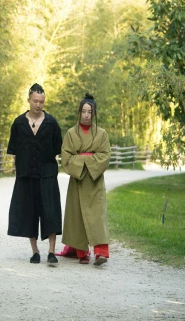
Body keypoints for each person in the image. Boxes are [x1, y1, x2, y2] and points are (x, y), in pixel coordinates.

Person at [7, 83, 63, 265]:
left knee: (50, 212)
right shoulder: (18, 123)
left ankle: (52, 251)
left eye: (41, 101)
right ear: (29, 100)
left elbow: (57, 148)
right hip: (26, 175)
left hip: (47, 174)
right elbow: (14, 149)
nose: (38, 105)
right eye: (35, 101)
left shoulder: (51, 122)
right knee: (29, 212)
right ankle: (35, 252)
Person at [59, 92, 111, 265]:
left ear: (94, 114)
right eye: (84, 111)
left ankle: (101, 253)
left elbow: (105, 156)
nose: (86, 115)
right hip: (78, 180)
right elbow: (66, 157)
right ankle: (82, 253)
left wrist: (83, 160)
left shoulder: (102, 134)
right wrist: (87, 161)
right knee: (78, 216)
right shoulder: (71, 134)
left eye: (90, 112)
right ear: (79, 112)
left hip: (95, 181)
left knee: (98, 215)